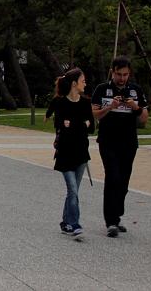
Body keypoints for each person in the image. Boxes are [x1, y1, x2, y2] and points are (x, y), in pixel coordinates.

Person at [92, 55, 149, 238]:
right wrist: (110, 107)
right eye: (118, 74)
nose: (122, 78)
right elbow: (95, 115)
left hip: (129, 143)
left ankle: (117, 216)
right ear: (112, 72)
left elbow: (144, 119)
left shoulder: (136, 90)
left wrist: (135, 107)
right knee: (113, 177)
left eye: (125, 74)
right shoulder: (102, 89)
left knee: (123, 182)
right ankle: (110, 222)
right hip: (108, 142)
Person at [51, 68, 95, 239]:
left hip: (81, 153)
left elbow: (91, 127)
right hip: (65, 153)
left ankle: (65, 222)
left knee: (73, 191)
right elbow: (61, 125)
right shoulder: (61, 104)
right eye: (83, 80)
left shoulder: (85, 103)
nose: (85, 83)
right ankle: (75, 224)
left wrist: (76, 124)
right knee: (73, 190)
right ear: (74, 83)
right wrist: (79, 124)